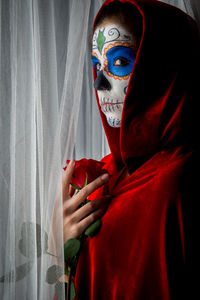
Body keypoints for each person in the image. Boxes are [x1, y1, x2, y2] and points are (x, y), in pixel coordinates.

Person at [62, 0, 200, 299]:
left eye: (120, 62)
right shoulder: (107, 175)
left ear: (162, 68)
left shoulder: (178, 179)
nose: (98, 83)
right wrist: (61, 244)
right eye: (96, 65)